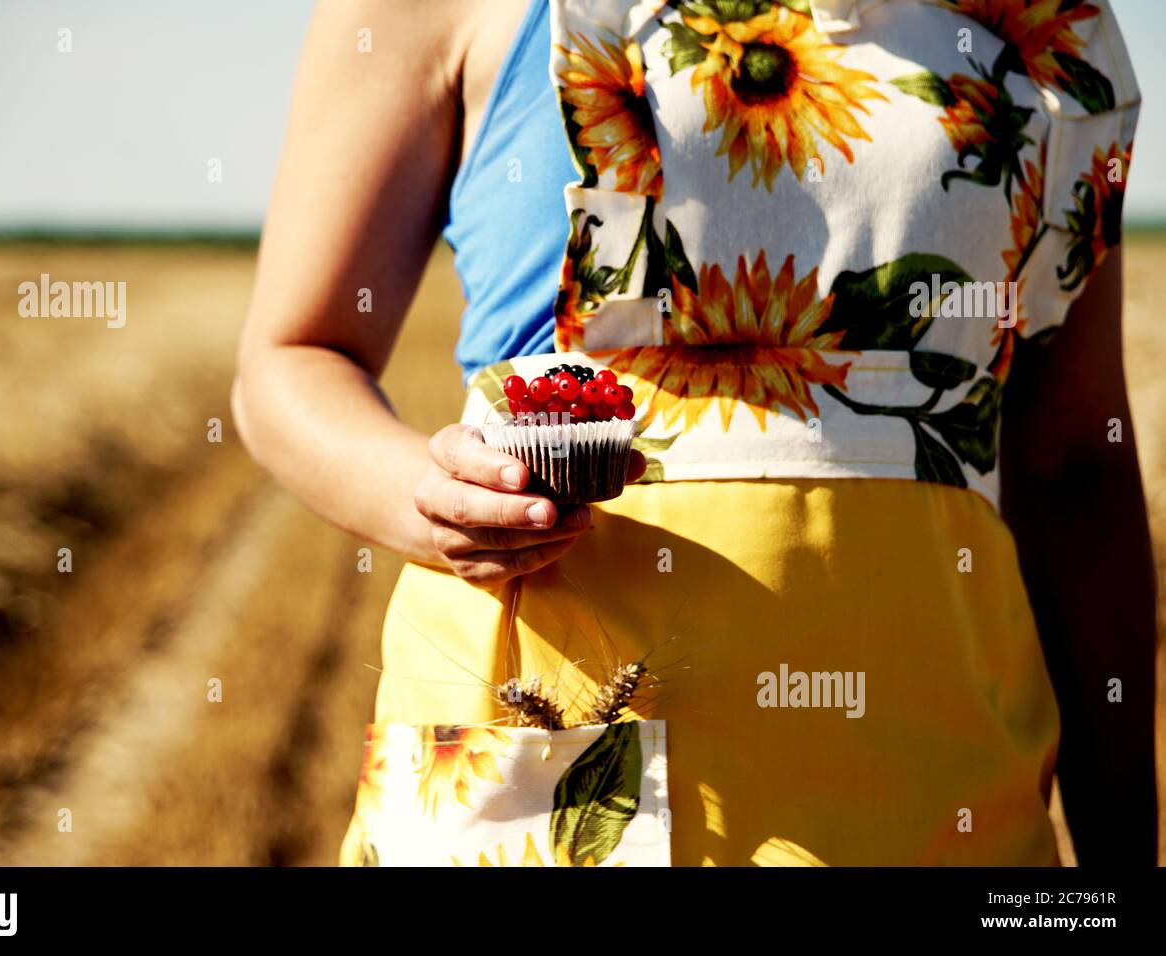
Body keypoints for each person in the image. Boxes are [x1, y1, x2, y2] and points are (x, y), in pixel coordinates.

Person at [233, 0, 1157, 865]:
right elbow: (293, 356)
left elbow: (1073, 468)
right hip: (553, 733)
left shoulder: (1044, 24)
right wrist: (424, 498)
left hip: (944, 778)